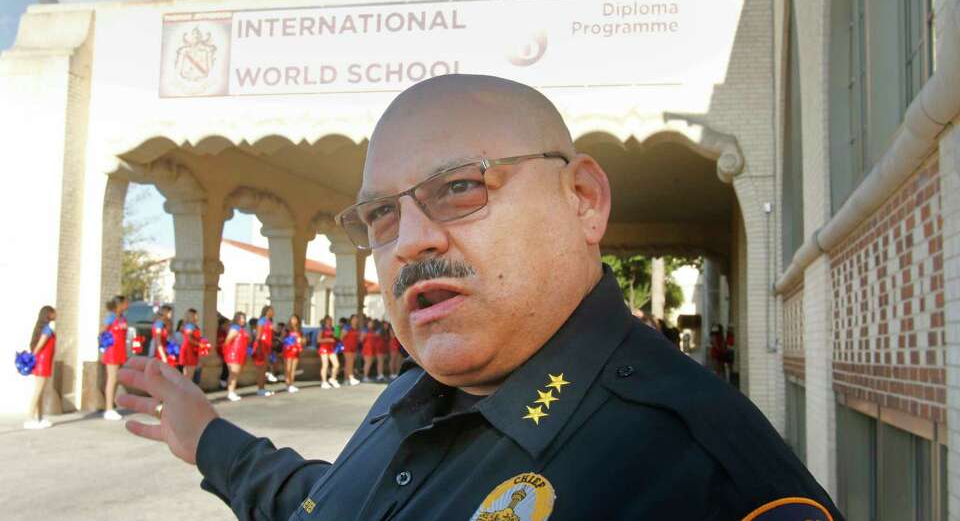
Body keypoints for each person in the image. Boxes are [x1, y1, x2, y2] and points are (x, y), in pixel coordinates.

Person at [117, 75, 840, 520]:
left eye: (459, 188)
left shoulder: (704, 479)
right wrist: (208, 436)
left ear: (584, 200)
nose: (409, 242)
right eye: (382, 215)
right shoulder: (418, 395)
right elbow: (330, 505)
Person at [24, 305, 56, 430]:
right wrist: (31, 357)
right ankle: (29, 418)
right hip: (42, 364)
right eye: (54, 312)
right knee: (37, 392)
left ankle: (40, 417)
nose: (56, 314)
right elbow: (39, 346)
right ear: (49, 314)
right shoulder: (47, 330)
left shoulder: (45, 328)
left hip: (44, 363)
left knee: (40, 392)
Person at [101, 295, 128, 421]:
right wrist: (105, 346)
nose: (127, 305)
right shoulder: (111, 317)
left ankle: (111, 406)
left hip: (121, 351)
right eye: (125, 302)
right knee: (111, 379)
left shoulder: (123, 318)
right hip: (112, 352)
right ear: (119, 304)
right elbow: (103, 332)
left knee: (116, 379)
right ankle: (108, 409)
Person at [221, 312, 249, 402]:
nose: (243, 320)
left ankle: (232, 391)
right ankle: (230, 392)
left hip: (240, 353)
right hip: (234, 354)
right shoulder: (235, 328)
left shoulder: (241, 329)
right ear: (237, 319)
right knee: (233, 374)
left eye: (244, 318)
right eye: (241, 318)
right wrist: (229, 351)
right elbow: (227, 341)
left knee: (235, 374)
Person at [252, 306, 275, 397]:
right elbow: (258, 335)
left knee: (264, 369)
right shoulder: (262, 321)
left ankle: (262, 387)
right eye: (272, 311)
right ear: (267, 311)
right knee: (261, 369)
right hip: (262, 346)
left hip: (267, 346)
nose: (273, 312)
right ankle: (260, 388)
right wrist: (258, 348)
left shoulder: (269, 322)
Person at [282, 315, 305, 393]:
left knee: (293, 368)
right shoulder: (287, 329)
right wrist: (290, 340)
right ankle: (287, 384)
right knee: (288, 368)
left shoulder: (299, 330)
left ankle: (291, 384)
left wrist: (302, 341)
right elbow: (282, 338)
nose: (294, 321)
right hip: (288, 349)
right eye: (292, 319)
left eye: (295, 319)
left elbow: (303, 339)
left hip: (296, 349)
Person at [317, 316, 340, 389]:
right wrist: (328, 339)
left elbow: (337, 337)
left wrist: (337, 334)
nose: (330, 321)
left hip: (331, 348)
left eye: (331, 320)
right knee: (325, 365)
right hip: (324, 348)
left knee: (336, 364)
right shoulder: (322, 329)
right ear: (325, 321)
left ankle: (333, 379)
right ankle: (324, 381)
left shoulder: (333, 329)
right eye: (328, 320)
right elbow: (319, 340)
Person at [179, 308, 202, 380]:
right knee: (189, 373)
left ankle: (185, 389)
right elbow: (189, 338)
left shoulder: (190, 325)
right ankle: (185, 390)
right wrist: (200, 344)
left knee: (187, 373)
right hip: (189, 350)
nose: (197, 316)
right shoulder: (190, 326)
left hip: (190, 349)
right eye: (195, 315)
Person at [361, 318, 386, 382]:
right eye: (370, 323)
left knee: (370, 363)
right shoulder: (365, 330)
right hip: (367, 348)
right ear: (367, 323)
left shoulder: (373, 330)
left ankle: (366, 376)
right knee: (368, 363)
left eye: (372, 323)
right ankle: (365, 376)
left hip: (372, 348)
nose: (371, 324)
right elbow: (361, 339)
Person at [340, 314, 361, 386]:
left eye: (356, 319)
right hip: (347, 347)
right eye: (354, 319)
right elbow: (341, 337)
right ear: (351, 320)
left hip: (354, 348)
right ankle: (351, 377)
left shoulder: (357, 328)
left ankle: (346, 379)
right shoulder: (347, 327)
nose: (355, 320)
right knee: (350, 363)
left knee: (348, 364)